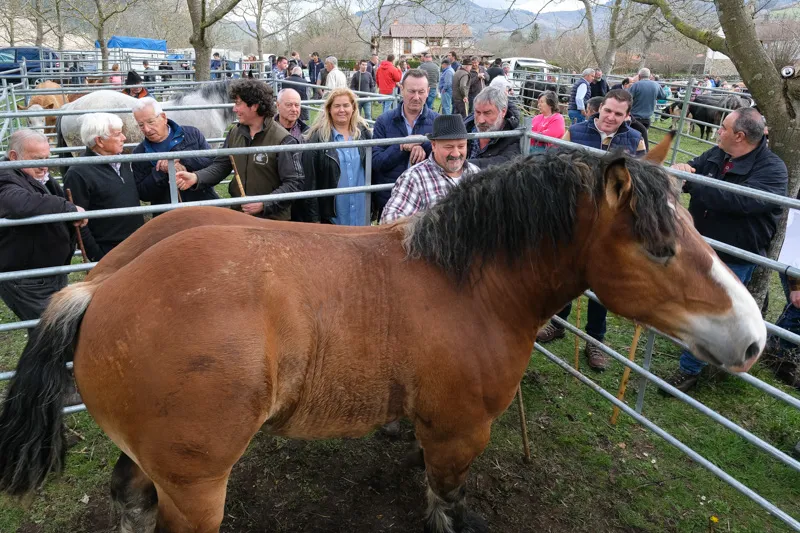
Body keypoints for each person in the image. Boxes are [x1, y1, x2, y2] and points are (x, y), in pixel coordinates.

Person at [660, 107, 788, 394]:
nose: (718, 131)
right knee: (687, 299)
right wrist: (685, 169)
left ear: (739, 136)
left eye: (724, 128)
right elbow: (694, 165)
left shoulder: (772, 168)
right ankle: (685, 344)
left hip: (733, 254)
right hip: (698, 244)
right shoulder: (717, 155)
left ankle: (689, 370)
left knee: (712, 311)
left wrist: (697, 182)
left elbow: (743, 202)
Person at [538, 90, 645, 370]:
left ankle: (595, 340)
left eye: (618, 114)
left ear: (627, 116)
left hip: (611, 228)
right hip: (576, 220)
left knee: (601, 282)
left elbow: (644, 178)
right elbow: (556, 170)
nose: (611, 117)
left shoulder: (634, 140)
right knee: (566, 274)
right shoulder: (574, 132)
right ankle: (559, 324)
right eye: (607, 110)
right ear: (599, 108)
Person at [174, 79, 304, 221]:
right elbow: (221, 166)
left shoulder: (283, 139)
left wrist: (264, 204)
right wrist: (196, 177)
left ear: (254, 106)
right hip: (239, 216)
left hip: (272, 221)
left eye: (238, 103)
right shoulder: (235, 133)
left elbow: (294, 183)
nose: (234, 109)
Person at [0, 129, 87, 328]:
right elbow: (19, 204)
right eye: (38, 159)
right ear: (14, 157)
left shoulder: (35, 174)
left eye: (47, 158)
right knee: (50, 333)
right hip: (28, 279)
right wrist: (68, 208)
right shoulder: (5, 178)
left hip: (46, 272)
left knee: (53, 332)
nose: (44, 165)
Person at [62, 113, 144, 262]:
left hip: (136, 244)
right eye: (118, 134)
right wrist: (97, 256)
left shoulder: (123, 161)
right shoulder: (78, 173)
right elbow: (78, 223)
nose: (124, 138)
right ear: (99, 141)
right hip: (109, 252)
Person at [380, 115, 480, 224]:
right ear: (433, 145)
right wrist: (431, 228)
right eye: (449, 147)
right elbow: (389, 221)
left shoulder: (475, 173)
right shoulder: (414, 178)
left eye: (461, 146)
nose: (456, 153)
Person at [300, 88, 372, 225]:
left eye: (346, 105)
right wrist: (314, 220)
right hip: (333, 217)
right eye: (337, 106)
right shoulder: (318, 138)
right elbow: (310, 182)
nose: (342, 110)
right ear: (329, 109)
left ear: (353, 108)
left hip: (361, 212)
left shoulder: (364, 133)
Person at [372, 69, 439, 216]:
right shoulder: (383, 121)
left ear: (428, 91)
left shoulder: (437, 121)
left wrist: (423, 145)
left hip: (427, 201)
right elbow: (376, 163)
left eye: (421, 92)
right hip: (391, 201)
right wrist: (402, 146)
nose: (416, 97)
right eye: (411, 91)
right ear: (401, 89)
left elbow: (444, 161)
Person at [131, 97, 219, 206]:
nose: (147, 129)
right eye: (141, 125)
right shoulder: (139, 153)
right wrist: (161, 172)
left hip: (204, 205)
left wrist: (183, 160)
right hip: (168, 214)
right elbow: (143, 194)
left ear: (163, 117)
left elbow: (212, 165)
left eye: (151, 122)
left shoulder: (192, 134)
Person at [464, 86, 521, 169]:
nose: (480, 120)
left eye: (487, 113)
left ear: (503, 112)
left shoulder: (513, 137)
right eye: (477, 112)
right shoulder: (467, 125)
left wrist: (463, 165)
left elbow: (507, 162)